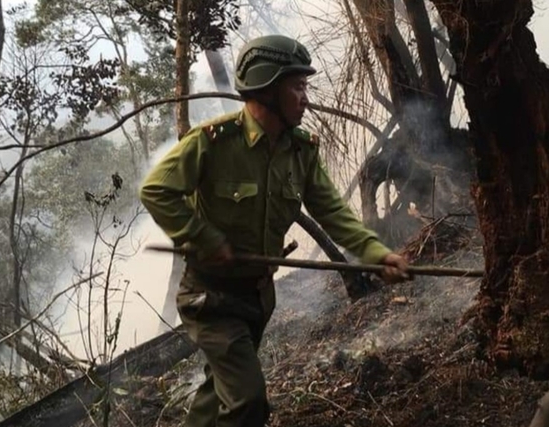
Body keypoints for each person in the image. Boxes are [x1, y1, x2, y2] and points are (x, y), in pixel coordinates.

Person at [139, 34, 409, 427]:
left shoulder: (300, 150)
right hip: (211, 299)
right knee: (248, 403)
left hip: (258, 297)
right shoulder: (214, 143)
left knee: (221, 393)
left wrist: (375, 253)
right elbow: (156, 190)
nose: (305, 98)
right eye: (297, 87)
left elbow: (333, 211)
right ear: (267, 88)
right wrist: (204, 239)